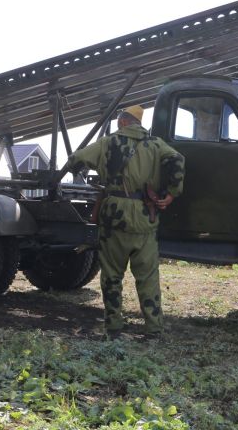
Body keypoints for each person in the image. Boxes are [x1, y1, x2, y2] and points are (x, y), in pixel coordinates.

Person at [66, 105, 185, 338]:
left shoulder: (108, 142)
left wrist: (84, 168)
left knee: (112, 275)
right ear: (139, 124)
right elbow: (177, 160)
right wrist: (172, 193)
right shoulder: (156, 145)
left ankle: (113, 328)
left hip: (114, 216)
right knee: (148, 277)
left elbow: (76, 160)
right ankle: (153, 330)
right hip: (145, 215)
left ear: (122, 122)